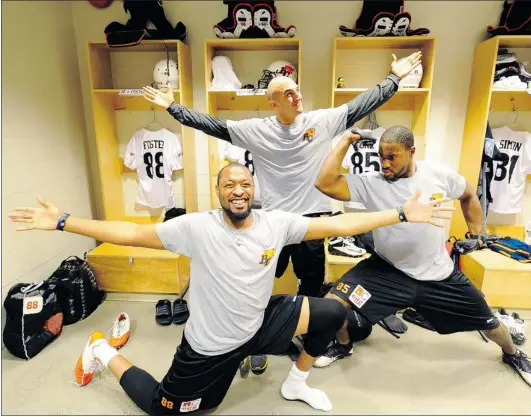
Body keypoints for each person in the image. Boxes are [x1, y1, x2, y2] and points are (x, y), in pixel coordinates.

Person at [9, 163, 454, 415]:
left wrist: (399, 214)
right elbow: (128, 232)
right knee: (169, 409)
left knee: (334, 312)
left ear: (253, 189)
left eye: (244, 183)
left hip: (260, 322)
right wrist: (64, 221)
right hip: (211, 346)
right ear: (219, 192)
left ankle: (295, 383)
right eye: (229, 185)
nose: (238, 190)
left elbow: (336, 223)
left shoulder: (276, 223)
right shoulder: (194, 228)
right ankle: (101, 350)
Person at [142, 51, 422, 371]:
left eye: (297, 89)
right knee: (260, 281)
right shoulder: (256, 129)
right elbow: (212, 125)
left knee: (311, 284)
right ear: (274, 103)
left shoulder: (320, 122)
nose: (297, 96)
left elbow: (362, 104)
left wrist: (395, 78)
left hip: (312, 221)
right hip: (272, 221)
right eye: (288, 93)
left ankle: (309, 334)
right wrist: (173, 108)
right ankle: (256, 336)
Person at [311, 126, 531, 388]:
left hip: (438, 275)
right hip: (387, 271)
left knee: (490, 323)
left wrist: (477, 233)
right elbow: (324, 182)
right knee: (333, 304)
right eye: (381, 156)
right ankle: (344, 346)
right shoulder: (372, 183)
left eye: (392, 157)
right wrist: (345, 140)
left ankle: (513, 355)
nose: (384, 163)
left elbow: (469, 194)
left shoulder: (439, 176)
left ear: (411, 151)